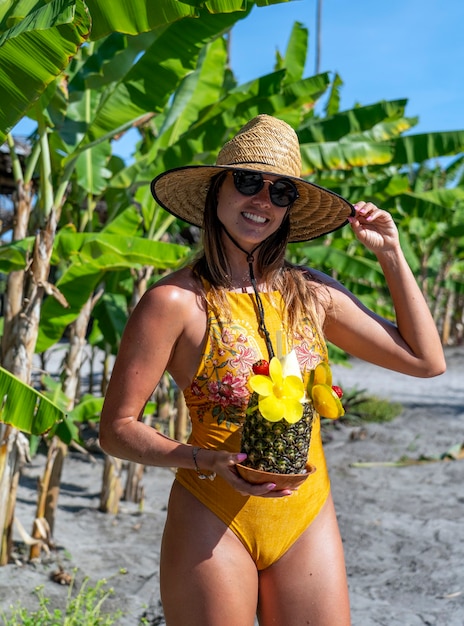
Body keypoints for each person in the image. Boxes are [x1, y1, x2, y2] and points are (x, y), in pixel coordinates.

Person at [99, 114, 446, 626]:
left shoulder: (312, 294)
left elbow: (426, 360)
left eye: (280, 191)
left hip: (307, 514)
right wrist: (203, 460)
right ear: (216, 192)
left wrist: (392, 254)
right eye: (246, 182)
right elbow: (115, 430)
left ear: (289, 209)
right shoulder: (174, 302)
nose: (262, 200)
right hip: (212, 515)